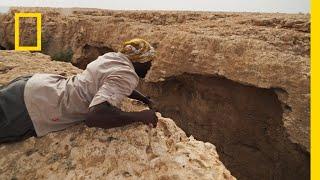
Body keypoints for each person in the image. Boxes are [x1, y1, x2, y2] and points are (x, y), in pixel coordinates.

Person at [0, 38, 158, 143]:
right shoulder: (128, 75)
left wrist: (144, 99)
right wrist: (140, 116)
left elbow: (112, 82)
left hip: (34, 85)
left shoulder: (113, 57)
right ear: (139, 62)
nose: (151, 66)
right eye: (149, 62)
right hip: (33, 106)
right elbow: (94, 117)